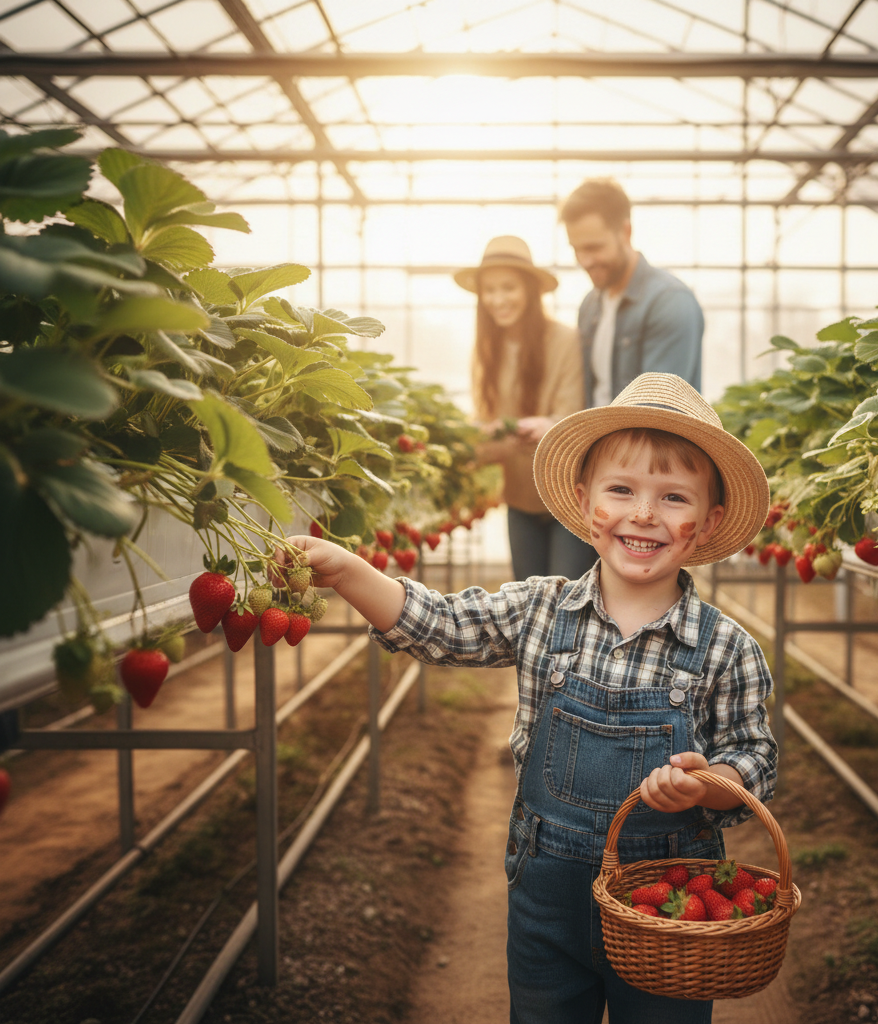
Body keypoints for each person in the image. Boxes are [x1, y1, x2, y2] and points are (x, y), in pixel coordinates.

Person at [276, 372, 776, 1024]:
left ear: (707, 525)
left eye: (673, 498)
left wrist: (708, 783)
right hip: (546, 900)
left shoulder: (726, 648)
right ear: (583, 500)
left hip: (670, 907)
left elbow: (755, 758)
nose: (644, 514)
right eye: (621, 490)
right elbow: (441, 625)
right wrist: (348, 570)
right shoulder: (539, 608)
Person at [454, 235, 596, 581]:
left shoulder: (565, 341)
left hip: (569, 499)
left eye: (508, 288)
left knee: (566, 602)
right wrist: (480, 439)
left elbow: (573, 416)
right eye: (489, 290)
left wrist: (546, 425)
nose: (497, 299)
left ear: (531, 291)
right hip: (519, 498)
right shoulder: (486, 354)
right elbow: (482, 438)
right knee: (530, 606)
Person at [561, 178, 704, 406]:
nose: (584, 261)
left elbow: (658, 412)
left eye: (593, 248)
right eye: (576, 249)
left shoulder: (669, 302)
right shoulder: (590, 306)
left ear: (626, 232)